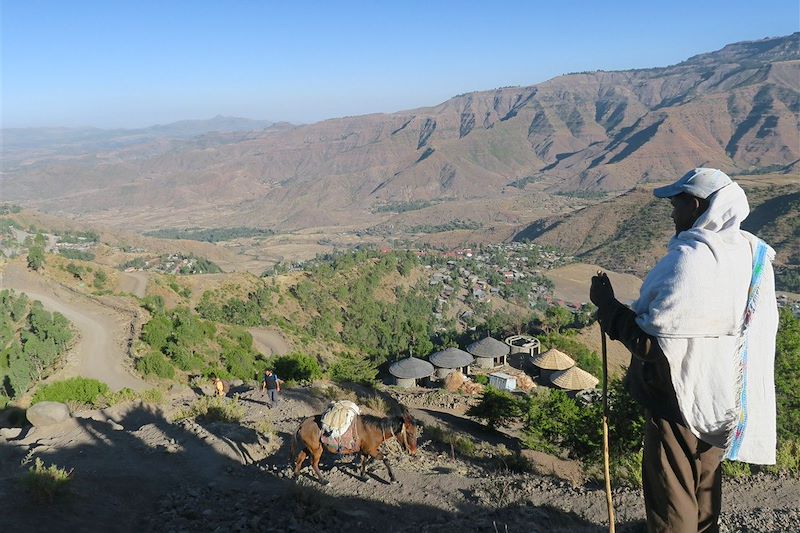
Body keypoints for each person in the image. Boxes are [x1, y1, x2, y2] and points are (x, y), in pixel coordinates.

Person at [590, 168, 778, 533]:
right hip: (722, 399)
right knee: (706, 490)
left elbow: (651, 342)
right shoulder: (747, 252)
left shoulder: (692, 260)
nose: (673, 214)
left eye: (676, 206)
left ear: (694, 205)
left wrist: (608, 307)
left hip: (678, 401)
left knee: (672, 499)